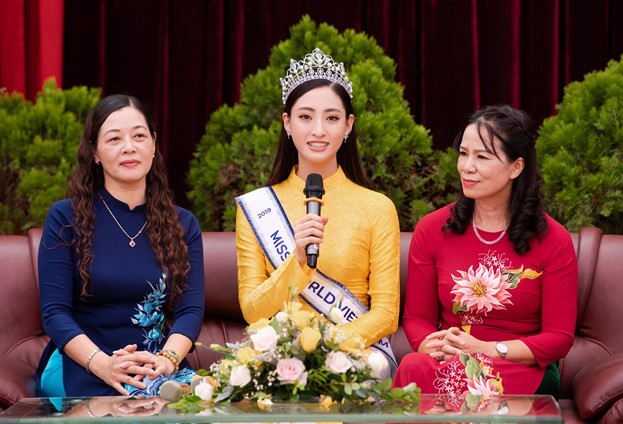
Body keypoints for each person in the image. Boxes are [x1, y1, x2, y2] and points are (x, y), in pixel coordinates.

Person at [393, 105, 577, 404]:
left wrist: (488, 349)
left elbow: (559, 338)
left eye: (482, 157)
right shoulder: (432, 229)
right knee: (414, 365)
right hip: (450, 358)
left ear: (515, 167)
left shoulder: (553, 240)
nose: (466, 166)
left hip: (521, 366)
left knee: (460, 375)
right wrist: (432, 344)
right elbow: (417, 318)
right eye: (463, 154)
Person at [235, 48, 400, 370]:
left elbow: (386, 314)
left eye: (332, 118)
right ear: (287, 122)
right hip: (278, 358)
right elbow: (253, 311)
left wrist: (324, 348)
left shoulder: (377, 207)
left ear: (349, 125)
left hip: (354, 356)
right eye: (306, 117)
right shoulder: (257, 207)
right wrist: (296, 261)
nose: (319, 130)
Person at [36, 94, 205, 397]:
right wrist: (103, 365)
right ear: (95, 152)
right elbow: (55, 313)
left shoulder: (183, 224)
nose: (129, 146)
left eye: (139, 136)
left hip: (157, 364)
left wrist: (166, 360)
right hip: (84, 363)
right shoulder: (65, 218)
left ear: (153, 144)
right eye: (114, 139)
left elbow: (190, 310)